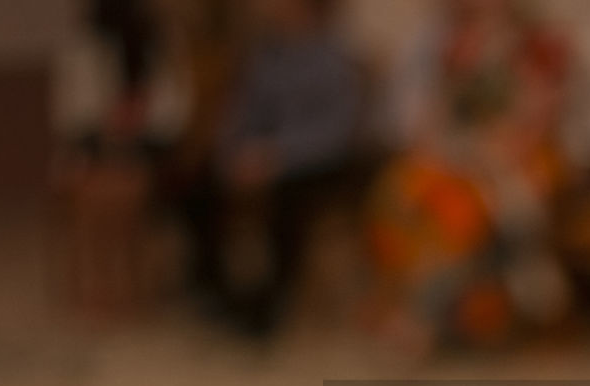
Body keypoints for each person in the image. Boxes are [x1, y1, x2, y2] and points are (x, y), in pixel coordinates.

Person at [367, 0, 569, 354]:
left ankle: (426, 318)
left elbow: (539, 116)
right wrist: (452, 149)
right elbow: (441, 116)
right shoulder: (458, 47)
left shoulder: (536, 44)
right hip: (467, 154)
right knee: (404, 190)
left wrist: (493, 150)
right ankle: (427, 310)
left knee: (468, 210)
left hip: (520, 154)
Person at [186, 0, 363, 339]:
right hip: (259, 158)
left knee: (289, 202)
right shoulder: (265, 57)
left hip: (314, 164)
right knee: (200, 185)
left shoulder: (332, 58)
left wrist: (277, 156)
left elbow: (334, 134)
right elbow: (242, 116)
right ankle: (216, 289)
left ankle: (272, 303)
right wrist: (235, 154)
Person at [51, 0, 191, 319]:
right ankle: (97, 288)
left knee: (128, 189)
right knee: (93, 192)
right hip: (94, 148)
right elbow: (69, 115)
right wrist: (109, 123)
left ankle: (128, 287)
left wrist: (139, 117)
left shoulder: (159, 45)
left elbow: (174, 112)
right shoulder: (82, 48)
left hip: (146, 149)